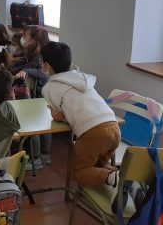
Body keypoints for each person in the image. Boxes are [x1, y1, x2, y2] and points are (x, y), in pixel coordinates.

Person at [40, 41, 120, 187]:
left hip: (93, 132)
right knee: (96, 165)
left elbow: (58, 117)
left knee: (77, 172)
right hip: (114, 126)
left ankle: (115, 177)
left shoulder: (49, 88)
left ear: (47, 66)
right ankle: (123, 178)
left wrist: (53, 111)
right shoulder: (81, 77)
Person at [11, 25, 50, 169]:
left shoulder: (41, 56)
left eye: (26, 35)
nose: (23, 38)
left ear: (35, 40)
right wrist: (17, 59)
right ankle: (44, 154)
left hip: (41, 94)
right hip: (42, 93)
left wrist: (23, 70)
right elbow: (26, 61)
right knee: (42, 122)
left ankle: (37, 158)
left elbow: (32, 68)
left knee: (36, 123)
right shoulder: (36, 50)